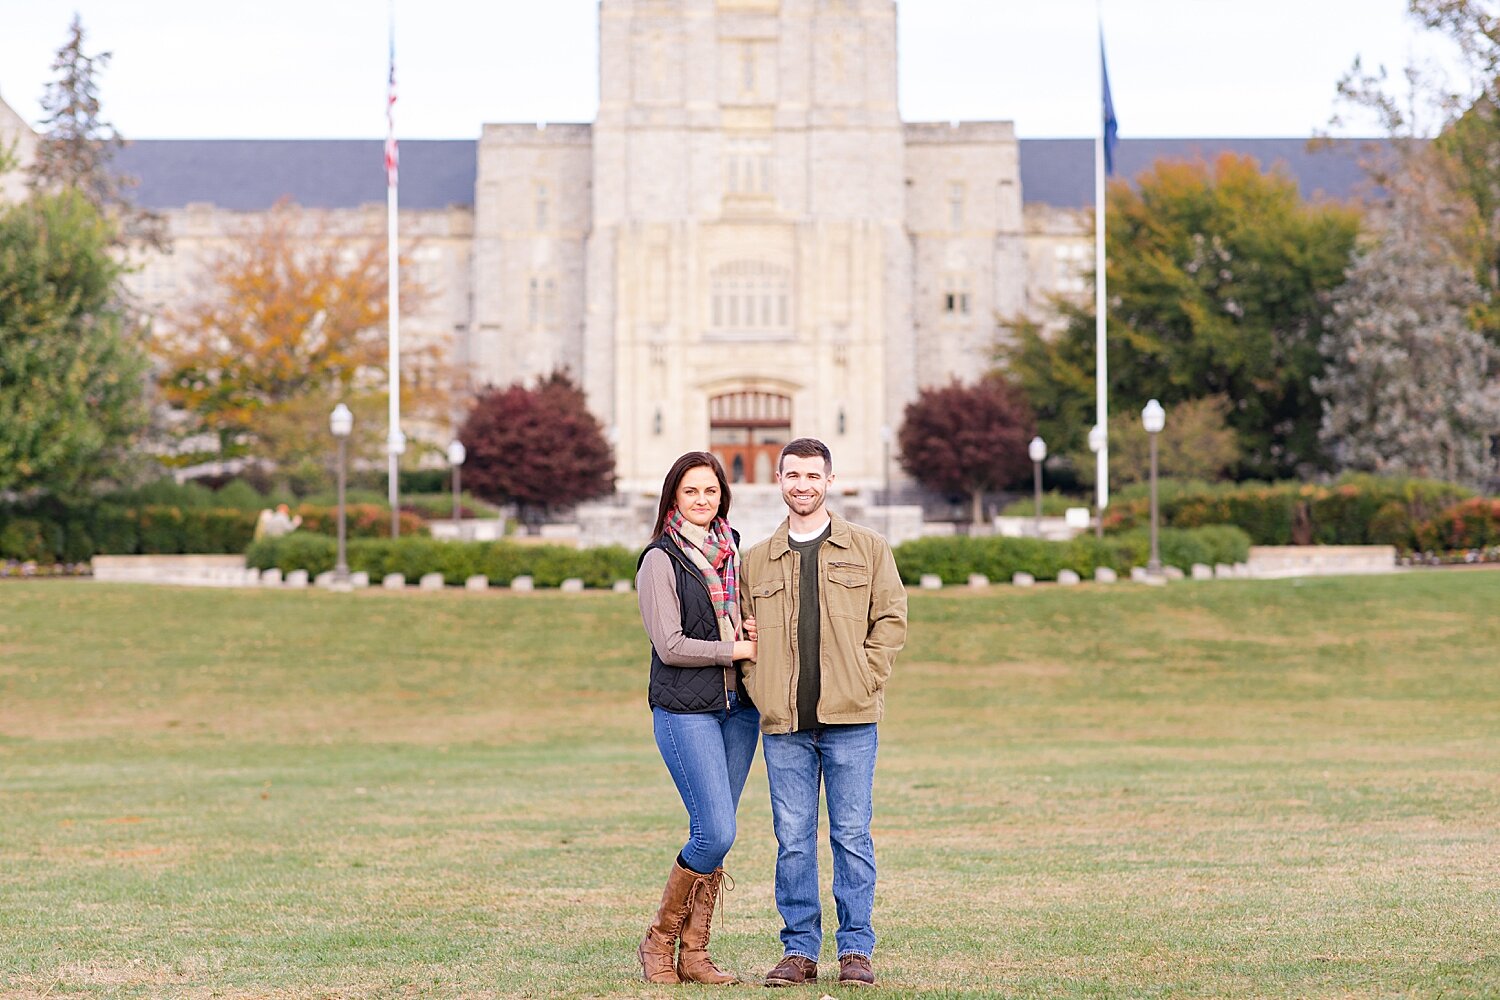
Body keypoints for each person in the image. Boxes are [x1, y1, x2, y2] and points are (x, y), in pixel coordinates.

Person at [740, 437, 908, 989]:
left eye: (813, 476)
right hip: (784, 725)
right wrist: (758, 688)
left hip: (851, 719)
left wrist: (868, 674)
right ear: (780, 481)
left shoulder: (869, 548)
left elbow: (891, 618)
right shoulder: (755, 560)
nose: (802, 485)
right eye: (793, 476)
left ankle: (856, 950)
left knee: (852, 836)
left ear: (828, 481)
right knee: (791, 840)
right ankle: (799, 953)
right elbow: (742, 635)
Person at [635, 451, 760, 985]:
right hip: (685, 711)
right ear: (673, 498)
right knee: (716, 829)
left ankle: (694, 954)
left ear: (722, 497)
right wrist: (733, 649)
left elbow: (741, 619)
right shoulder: (659, 559)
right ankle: (658, 942)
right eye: (691, 492)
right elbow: (670, 643)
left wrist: (750, 633)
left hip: (739, 712)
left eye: (711, 491)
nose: (702, 501)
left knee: (718, 834)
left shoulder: (734, 553)